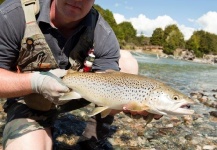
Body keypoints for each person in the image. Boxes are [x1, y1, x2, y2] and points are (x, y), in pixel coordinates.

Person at [0, 0, 161, 149]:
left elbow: (112, 83)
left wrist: (136, 103)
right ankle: (40, 125)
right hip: (29, 98)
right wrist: (36, 82)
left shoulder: (102, 32)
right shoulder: (13, 15)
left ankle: (93, 137)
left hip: (81, 93)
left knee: (127, 62)